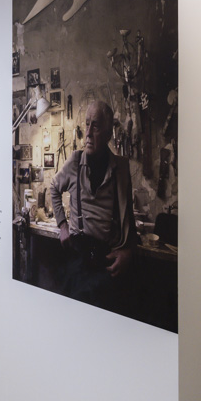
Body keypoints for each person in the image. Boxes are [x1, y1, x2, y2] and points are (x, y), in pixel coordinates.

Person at [48, 100, 139, 310]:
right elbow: (54, 188)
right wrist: (62, 225)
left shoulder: (121, 170)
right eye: (86, 124)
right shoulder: (74, 162)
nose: (87, 133)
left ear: (108, 134)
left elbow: (129, 223)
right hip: (78, 257)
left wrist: (127, 252)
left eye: (95, 126)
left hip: (106, 261)